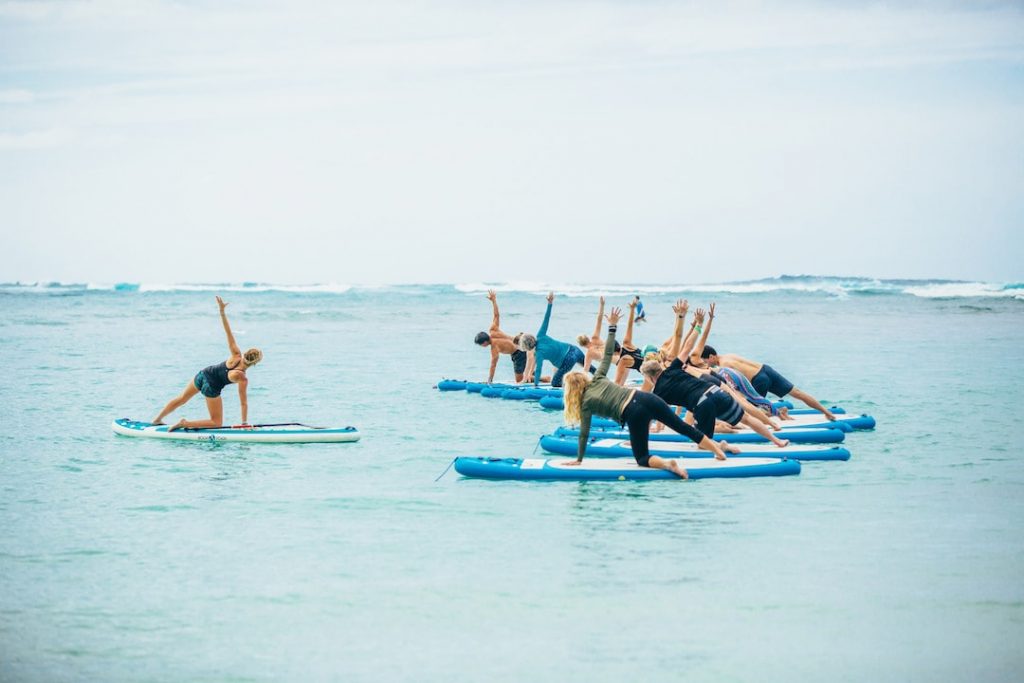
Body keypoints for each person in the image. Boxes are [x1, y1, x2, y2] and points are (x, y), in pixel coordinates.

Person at [561, 307, 729, 479]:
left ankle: (667, 464)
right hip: (646, 397)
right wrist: (612, 326)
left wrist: (579, 459)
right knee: (682, 427)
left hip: (633, 413)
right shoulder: (597, 377)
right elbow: (608, 354)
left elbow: (584, 434)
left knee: (642, 458)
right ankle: (717, 451)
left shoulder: (585, 404)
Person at [640, 302, 790, 448]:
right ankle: (777, 441)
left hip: (701, 404)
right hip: (716, 391)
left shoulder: (658, 392)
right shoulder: (673, 367)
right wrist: (698, 325)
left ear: (649, 377)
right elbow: (687, 347)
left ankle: (723, 446)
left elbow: (651, 415)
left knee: (703, 444)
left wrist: (640, 437)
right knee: (746, 418)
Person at [152, 296, 262, 431]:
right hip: (211, 387)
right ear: (254, 363)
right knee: (216, 423)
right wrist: (244, 423)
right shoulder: (242, 377)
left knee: (182, 398)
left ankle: (157, 419)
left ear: (245, 354)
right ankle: (184, 423)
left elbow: (227, 331)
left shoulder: (236, 354)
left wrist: (222, 311)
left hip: (203, 374)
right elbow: (243, 403)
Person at [700, 345, 836, 421]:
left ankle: (781, 415)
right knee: (797, 393)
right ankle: (827, 412)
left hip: (758, 380)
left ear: (711, 357)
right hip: (766, 369)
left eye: (706, 361)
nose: (707, 365)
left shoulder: (724, 366)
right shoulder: (729, 355)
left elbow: (737, 386)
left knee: (747, 408)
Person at [522, 292, 590, 388]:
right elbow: (546, 319)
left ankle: (577, 387)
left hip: (568, 360)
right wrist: (550, 303)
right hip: (574, 349)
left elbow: (538, 370)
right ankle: (604, 380)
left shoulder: (539, 353)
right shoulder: (540, 335)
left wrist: (536, 385)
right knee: (589, 367)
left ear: (527, 347)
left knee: (555, 383)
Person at [474, 289, 529, 384]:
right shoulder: (493, 330)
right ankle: (533, 375)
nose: (482, 347)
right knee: (525, 371)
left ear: (484, 342)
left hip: (519, 353)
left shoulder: (494, 347)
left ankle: (544, 379)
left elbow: (493, 365)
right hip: (522, 343)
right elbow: (496, 315)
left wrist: (489, 380)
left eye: (481, 345)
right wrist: (494, 301)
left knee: (519, 380)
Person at [613, 296, 649, 385]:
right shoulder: (627, 343)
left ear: (613, 353)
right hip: (656, 359)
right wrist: (632, 310)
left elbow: (617, 383)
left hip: (652, 372)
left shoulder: (622, 361)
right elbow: (629, 326)